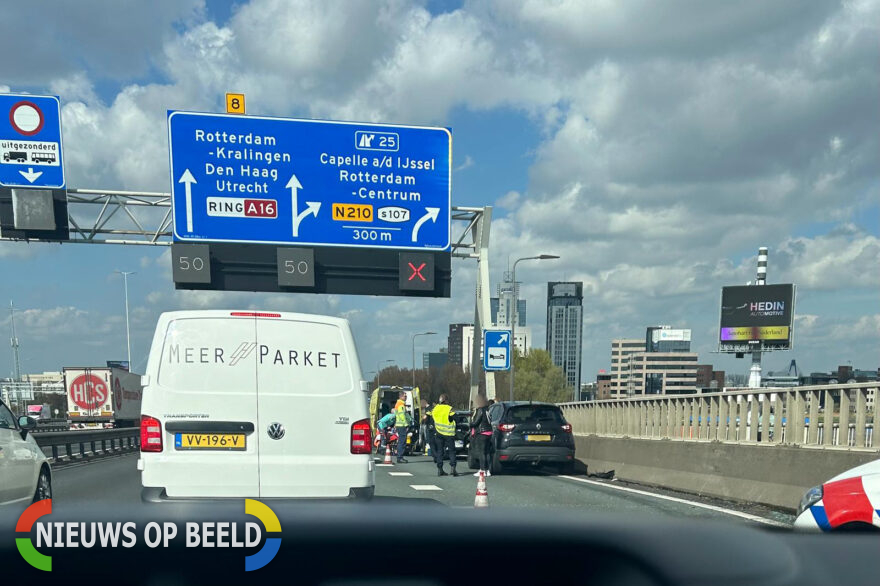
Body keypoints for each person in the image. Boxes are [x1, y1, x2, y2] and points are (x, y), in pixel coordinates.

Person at [432, 394, 458, 477]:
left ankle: (440, 469)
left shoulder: (435, 409)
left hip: (439, 432)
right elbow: (456, 418)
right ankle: (453, 468)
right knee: (452, 451)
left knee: (440, 451)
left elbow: (433, 418)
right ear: (446, 401)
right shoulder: (449, 408)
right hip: (449, 433)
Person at [470, 394, 493, 476]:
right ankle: (488, 470)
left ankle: (482, 470)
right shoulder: (488, 410)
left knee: (482, 452)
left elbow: (477, 422)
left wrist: (470, 424)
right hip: (489, 432)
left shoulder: (480, 410)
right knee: (487, 452)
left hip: (482, 433)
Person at [393, 391, 413, 463]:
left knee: (402, 441)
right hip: (401, 426)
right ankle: (400, 457)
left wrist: (410, 419)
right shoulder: (400, 405)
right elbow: (402, 416)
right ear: (401, 396)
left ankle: (400, 456)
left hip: (400, 425)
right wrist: (406, 424)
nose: (406, 397)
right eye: (405, 396)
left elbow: (405, 415)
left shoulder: (400, 404)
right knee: (402, 441)